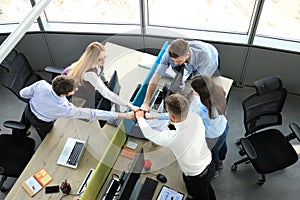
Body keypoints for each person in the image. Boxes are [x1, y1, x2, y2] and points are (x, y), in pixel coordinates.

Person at [136, 94, 216, 200]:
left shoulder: (172, 138)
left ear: (172, 117)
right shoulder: (195, 117)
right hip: (209, 164)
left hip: (196, 176)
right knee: (207, 189)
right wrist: (164, 122)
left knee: (201, 196)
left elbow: (149, 133)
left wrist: (140, 118)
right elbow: (177, 127)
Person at [19, 75, 134, 141]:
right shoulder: (65, 108)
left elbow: (23, 93)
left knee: (23, 124)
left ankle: (18, 134)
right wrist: (124, 115)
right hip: (42, 122)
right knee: (47, 139)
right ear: (64, 94)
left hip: (29, 109)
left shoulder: (41, 84)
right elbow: (93, 114)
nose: (76, 90)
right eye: (74, 90)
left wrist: (39, 100)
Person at [141, 38, 219, 112]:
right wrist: (146, 103)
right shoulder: (169, 52)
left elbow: (195, 87)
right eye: (173, 60)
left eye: (178, 61)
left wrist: (183, 108)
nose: (175, 63)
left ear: (187, 55)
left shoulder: (205, 58)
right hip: (190, 60)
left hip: (212, 58)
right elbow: (156, 77)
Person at [63, 41, 139, 111]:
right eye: (100, 59)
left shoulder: (97, 64)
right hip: (77, 95)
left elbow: (101, 72)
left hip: (84, 89)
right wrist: (129, 105)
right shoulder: (89, 74)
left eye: (105, 57)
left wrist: (105, 82)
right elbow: (106, 93)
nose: (104, 61)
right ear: (91, 59)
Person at [190, 75, 229, 178]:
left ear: (202, 94)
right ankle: (221, 161)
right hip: (223, 127)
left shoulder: (204, 109)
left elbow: (189, 116)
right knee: (222, 145)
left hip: (212, 136)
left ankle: (215, 169)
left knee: (213, 153)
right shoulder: (219, 91)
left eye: (195, 91)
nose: (193, 91)